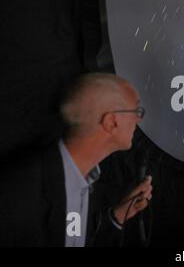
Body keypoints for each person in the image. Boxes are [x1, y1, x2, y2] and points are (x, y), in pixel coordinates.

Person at [0, 73, 152, 247]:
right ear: (111, 122)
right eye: (136, 110)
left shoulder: (81, 185)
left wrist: (117, 216)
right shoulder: (20, 192)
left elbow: (73, 240)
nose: (139, 119)